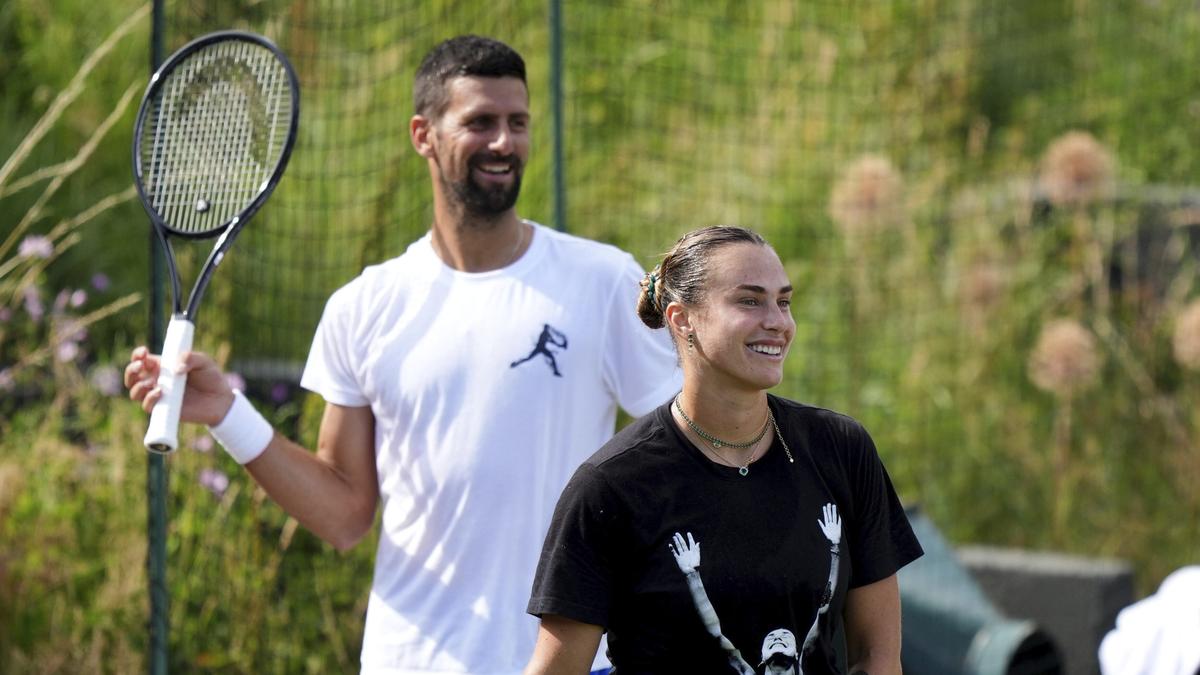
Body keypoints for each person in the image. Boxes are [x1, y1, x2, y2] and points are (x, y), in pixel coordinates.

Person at [124, 35, 681, 674]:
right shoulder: (363, 305)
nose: (505, 142)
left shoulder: (603, 281)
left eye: (518, 122)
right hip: (409, 659)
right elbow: (344, 516)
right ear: (423, 134)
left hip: (575, 663)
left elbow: (687, 447)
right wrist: (226, 412)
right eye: (481, 122)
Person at [523, 226, 924, 675]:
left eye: (784, 301)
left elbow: (879, 658)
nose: (777, 321)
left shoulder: (842, 450)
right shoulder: (611, 487)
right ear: (681, 319)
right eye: (749, 301)